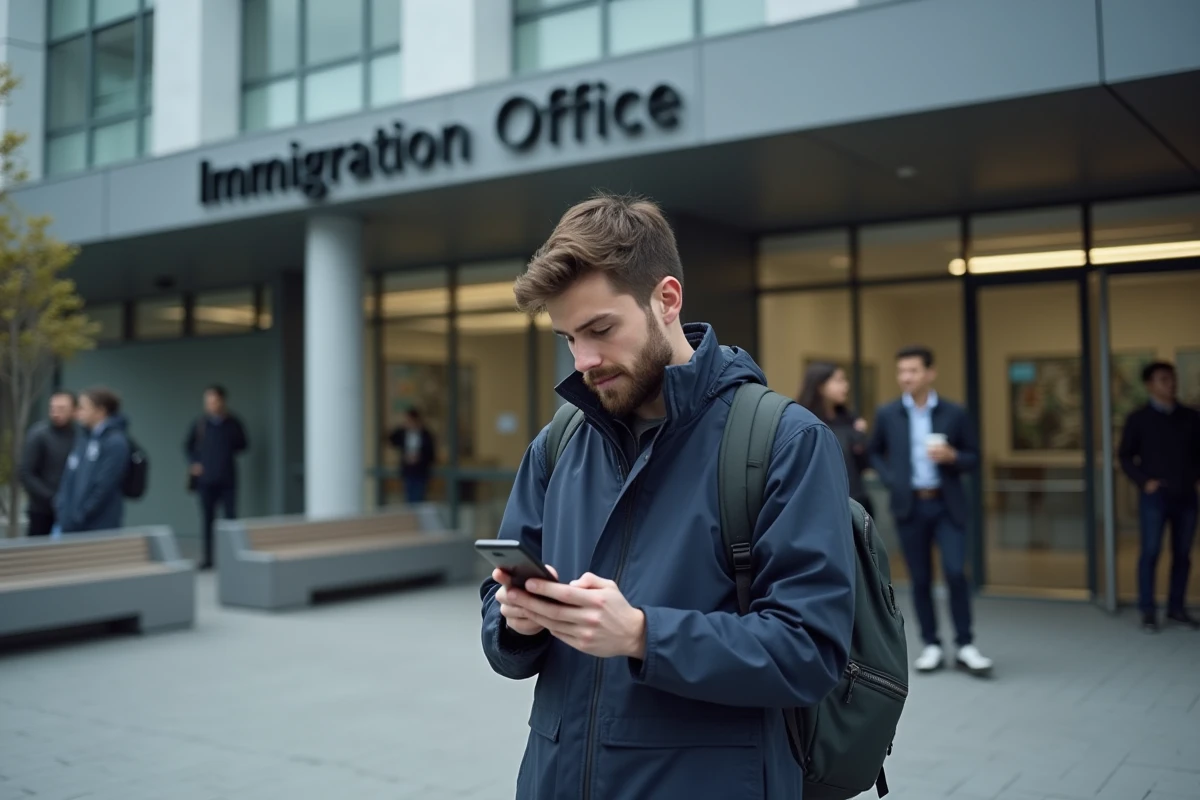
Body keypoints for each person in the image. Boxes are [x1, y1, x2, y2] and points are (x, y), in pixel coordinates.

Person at [478, 193, 855, 799]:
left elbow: (809, 652)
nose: (585, 361)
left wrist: (643, 635)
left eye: (601, 329)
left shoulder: (786, 440)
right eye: (569, 338)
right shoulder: (559, 442)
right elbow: (496, 618)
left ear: (667, 299)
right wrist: (517, 620)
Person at [867, 345, 992, 677]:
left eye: (913, 371)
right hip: (910, 506)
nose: (906, 377)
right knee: (920, 579)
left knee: (954, 573)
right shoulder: (888, 413)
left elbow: (974, 456)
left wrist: (954, 457)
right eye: (902, 372)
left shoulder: (954, 412)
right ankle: (932, 644)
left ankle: (965, 644)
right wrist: (892, 479)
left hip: (946, 503)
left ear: (930, 373)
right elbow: (874, 451)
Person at [1118, 361, 1200, 632]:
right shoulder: (1138, 419)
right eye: (1164, 379)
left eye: (1172, 378)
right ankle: (1148, 610)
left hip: (1186, 495)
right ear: (1150, 385)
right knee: (1151, 552)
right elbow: (1126, 456)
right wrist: (1144, 482)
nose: (1171, 384)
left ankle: (1177, 608)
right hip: (1156, 496)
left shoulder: (1191, 417)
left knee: (1183, 554)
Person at [184, 385, 249, 570]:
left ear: (222, 401)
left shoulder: (233, 423)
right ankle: (209, 559)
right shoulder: (200, 424)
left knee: (230, 520)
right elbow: (187, 447)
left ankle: (232, 559)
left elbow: (243, 445)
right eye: (208, 401)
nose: (210, 405)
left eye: (214, 401)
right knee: (207, 521)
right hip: (206, 481)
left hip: (227, 480)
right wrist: (194, 463)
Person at [797, 361, 873, 515]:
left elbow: (864, 465)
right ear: (820, 385)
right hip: (820, 502)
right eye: (839, 380)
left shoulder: (850, 420)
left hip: (854, 499)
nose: (846, 386)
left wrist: (860, 439)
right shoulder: (804, 421)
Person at [54, 387, 131, 534]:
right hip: (72, 525)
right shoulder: (83, 439)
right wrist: (63, 511)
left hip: (98, 527)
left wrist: (79, 515)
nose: (78, 412)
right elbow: (68, 479)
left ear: (100, 411)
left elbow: (104, 487)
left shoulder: (115, 442)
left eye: (83, 408)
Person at [18, 391, 80, 536]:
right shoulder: (39, 435)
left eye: (62, 409)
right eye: (53, 408)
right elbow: (25, 473)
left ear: (74, 410)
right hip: (42, 510)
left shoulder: (80, 436)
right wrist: (52, 498)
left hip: (73, 510)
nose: (56, 413)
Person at [388, 408, 436, 504]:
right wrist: (402, 427)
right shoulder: (403, 433)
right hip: (408, 471)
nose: (409, 423)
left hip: (420, 471)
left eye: (410, 420)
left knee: (418, 499)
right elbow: (391, 439)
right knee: (409, 499)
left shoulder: (425, 434)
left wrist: (419, 458)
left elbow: (431, 453)